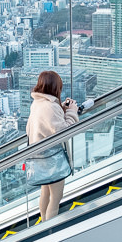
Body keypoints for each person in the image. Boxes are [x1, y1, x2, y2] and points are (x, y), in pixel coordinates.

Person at [26, 71, 78, 221]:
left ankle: (43, 222)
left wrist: (62, 108)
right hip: (52, 158)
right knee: (56, 197)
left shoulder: (38, 102)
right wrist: (72, 112)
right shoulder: (50, 107)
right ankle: (50, 229)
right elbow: (65, 132)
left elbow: (48, 123)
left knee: (46, 193)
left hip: (40, 156)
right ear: (56, 87)